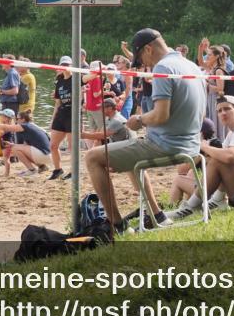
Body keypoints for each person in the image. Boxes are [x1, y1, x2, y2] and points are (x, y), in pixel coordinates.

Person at [84, 29, 206, 232]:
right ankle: (157, 215)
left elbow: (160, 115)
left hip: (168, 146)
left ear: (148, 49)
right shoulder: (191, 66)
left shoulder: (163, 67)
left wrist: (139, 120)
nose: (142, 64)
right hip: (192, 146)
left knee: (92, 157)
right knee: (130, 150)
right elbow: (201, 115)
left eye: (140, 58)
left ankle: (117, 225)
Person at [170, 118, 223, 205]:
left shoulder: (211, 146)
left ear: (201, 133)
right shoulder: (210, 145)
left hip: (213, 193)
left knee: (178, 180)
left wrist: (199, 150)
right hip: (214, 192)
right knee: (191, 173)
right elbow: (182, 170)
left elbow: (181, 170)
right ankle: (189, 205)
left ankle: (172, 206)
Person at [0, 109, 52, 177]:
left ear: (23, 119)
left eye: (17, 119)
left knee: (14, 148)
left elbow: (5, 127)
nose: (16, 121)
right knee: (16, 148)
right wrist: (12, 144)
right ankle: (42, 167)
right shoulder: (31, 125)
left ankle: (31, 170)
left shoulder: (23, 126)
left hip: (44, 155)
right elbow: (25, 145)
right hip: (49, 155)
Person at [46, 56, 75, 180]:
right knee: (53, 145)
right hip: (61, 113)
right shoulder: (59, 80)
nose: (65, 67)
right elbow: (57, 102)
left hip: (72, 113)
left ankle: (73, 171)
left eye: (67, 65)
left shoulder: (76, 78)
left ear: (72, 66)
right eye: (63, 65)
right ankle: (58, 170)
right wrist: (53, 119)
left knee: (72, 147)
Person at [81, 61, 105, 130]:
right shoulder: (97, 79)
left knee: (92, 129)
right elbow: (96, 94)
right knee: (101, 128)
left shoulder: (88, 78)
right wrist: (103, 89)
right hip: (96, 107)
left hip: (89, 106)